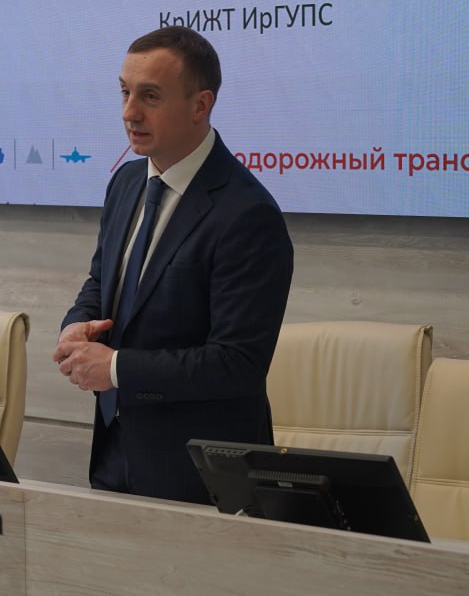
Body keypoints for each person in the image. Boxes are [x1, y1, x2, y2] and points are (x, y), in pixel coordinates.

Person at [53, 26, 293, 503]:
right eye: (124, 92)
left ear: (200, 105)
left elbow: (237, 363)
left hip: (200, 477)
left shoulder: (247, 214)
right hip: (115, 455)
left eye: (150, 96)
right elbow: (102, 281)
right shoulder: (125, 182)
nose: (129, 112)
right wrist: (78, 323)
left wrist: (117, 368)